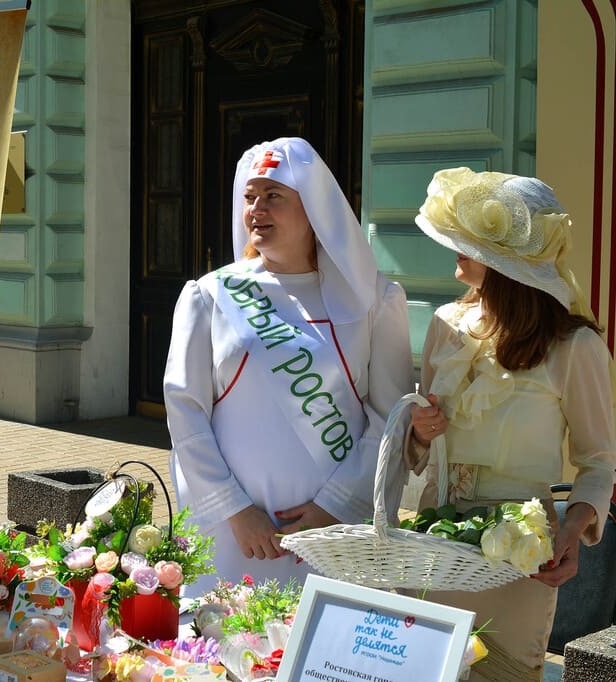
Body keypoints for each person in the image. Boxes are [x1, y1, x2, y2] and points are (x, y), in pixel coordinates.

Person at [164, 137, 413, 594]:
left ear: (315, 209)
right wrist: (235, 510)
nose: (258, 208)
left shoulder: (374, 300)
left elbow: (391, 419)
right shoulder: (210, 295)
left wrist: (335, 507)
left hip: (334, 536)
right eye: (250, 197)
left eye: (274, 196)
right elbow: (185, 412)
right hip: (233, 538)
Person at [407, 167, 616, 680]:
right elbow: (416, 443)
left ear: (507, 263)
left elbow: (599, 460)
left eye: (468, 240)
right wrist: (420, 431)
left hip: (521, 554)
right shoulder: (443, 325)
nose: (454, 247)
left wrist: (572, 530)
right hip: (435, 540)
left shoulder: (576, 347)